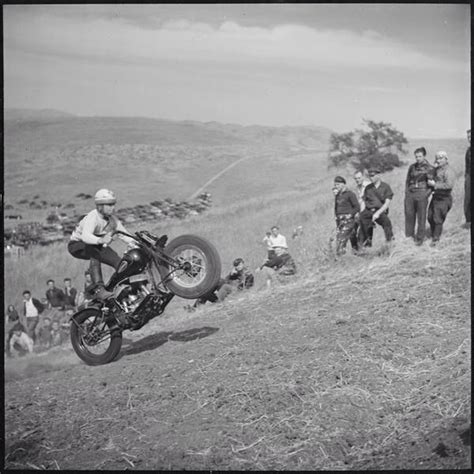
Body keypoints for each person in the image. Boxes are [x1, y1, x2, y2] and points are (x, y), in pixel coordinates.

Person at [67, 188, 137, 301]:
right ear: (100, 206)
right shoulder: (93, 216)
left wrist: (136, 243)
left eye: (113, 204)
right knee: (94, 250)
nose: (112, 208)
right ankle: (99, 289)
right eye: (109, 205)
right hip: (77, 245)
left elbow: (124, 235)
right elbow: (86, 236)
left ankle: (120, 289)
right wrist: (101, 240)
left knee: (119, 262)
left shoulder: (113, 219)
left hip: (96, 246)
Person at [404, 147, 435, 245]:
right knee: (409, 216)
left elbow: (431, 185)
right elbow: (407, 181)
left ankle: (419, 239)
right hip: (410, 194)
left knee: (421, 217)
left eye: (420, 156)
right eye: (416, 156)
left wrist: (425, 195)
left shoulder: (430, 168)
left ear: (424, 156)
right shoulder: (412, 167)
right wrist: (407, 193)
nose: (417, 158)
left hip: (422, 193)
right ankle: (409, 237)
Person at [359, 168, 394, 247]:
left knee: (387, 223)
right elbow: (364, 201)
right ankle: (364, 247)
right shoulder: (368, 188)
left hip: (380, 211)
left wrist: (377, 213)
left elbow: (386, 204)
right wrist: (361, 213)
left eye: (373, 175)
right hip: (368, 210)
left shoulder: (386, 187)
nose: (371, 178)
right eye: (370, 176)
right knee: (363, 226)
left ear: (378, 175)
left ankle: (390, 244)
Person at [427, 151, 456, 246]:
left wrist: (435, 185)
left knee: (437, 219)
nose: (438, 160)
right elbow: (430, 175)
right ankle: (433, 235)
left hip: (444, 198)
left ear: (446, 159)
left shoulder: (449, 171)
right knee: (430, 217)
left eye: (441, 158)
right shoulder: (437, 170)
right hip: (436, 197)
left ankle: (436, 239)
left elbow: (449, 185)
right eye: (437, 158)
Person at [333, 176, 360, 255]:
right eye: (335, 185)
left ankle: (340, 258)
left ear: (343, 184)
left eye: (337, 184)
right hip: (340, 221)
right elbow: (336, 208)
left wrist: (350, 215)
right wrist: (336, 217)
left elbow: (357, 207)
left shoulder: (350, 194)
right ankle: (356, 253)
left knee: (341, 239)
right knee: (343, 238)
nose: (336, 186)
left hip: (348, 220)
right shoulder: (337, 196)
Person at [351, 171, 372, 251]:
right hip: (360, 212)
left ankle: (361, 249)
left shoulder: (368, 185)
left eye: (359, 178)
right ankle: (355, 249)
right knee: (352, 230)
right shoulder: (356, 188)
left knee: (362, 233)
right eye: (355, 179)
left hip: (368, 211)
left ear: (363, 177)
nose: (357, 180)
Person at [463, 129, 471, 228]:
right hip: (469, 177)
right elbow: (466, 166)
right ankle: (469, 221)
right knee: (468, 200)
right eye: (468, 137)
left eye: (471, 136)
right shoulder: (468, 151)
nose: (469, 139)